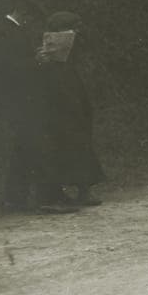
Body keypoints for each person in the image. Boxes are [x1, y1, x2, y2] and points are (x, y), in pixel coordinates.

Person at [0, 0, 76, 213]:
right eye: (30, 17)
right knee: (40, 145)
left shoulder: (12, 30)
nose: (31, 22)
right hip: (20, 100)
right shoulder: (4, 31)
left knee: (24, 148)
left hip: (23, 99)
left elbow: (17, 62)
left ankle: (14, 199)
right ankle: (47, 198)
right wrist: (35, 61)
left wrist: (34, 58)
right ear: (22, 12)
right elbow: (6, 68)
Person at [38, 11, 106, 206]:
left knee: (81, 141)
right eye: (72, 28)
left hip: (74, 94)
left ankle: (85, 190)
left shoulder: (76, 44)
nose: (76, 32)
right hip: (57, 99)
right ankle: (58, 193)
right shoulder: (46, 47)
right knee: (62, 144)